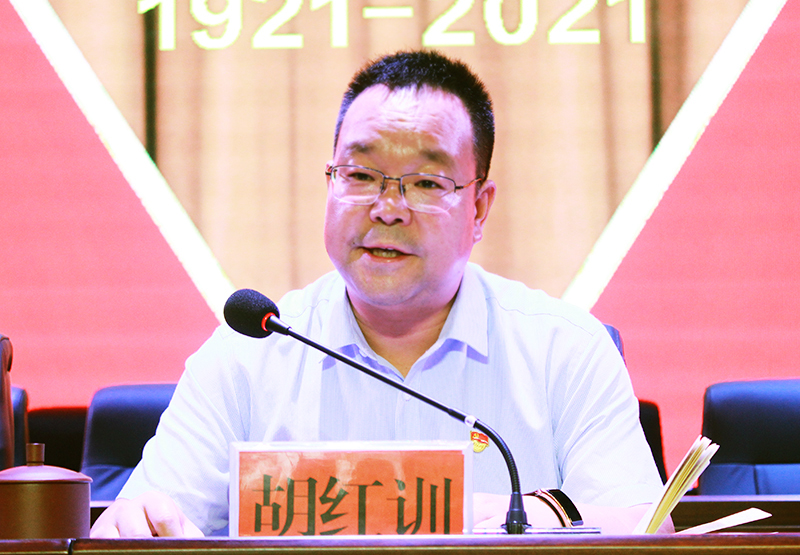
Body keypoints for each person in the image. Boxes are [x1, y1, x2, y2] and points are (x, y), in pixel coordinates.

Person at [91, 50, 669, 538]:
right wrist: (133, 523)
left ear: (479, 208)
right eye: (361, 176)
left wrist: (530, 512)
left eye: (426, 183)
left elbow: (646, 525)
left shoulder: (564, 350)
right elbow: (143, 520)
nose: (387, 209)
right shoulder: (248, 353)